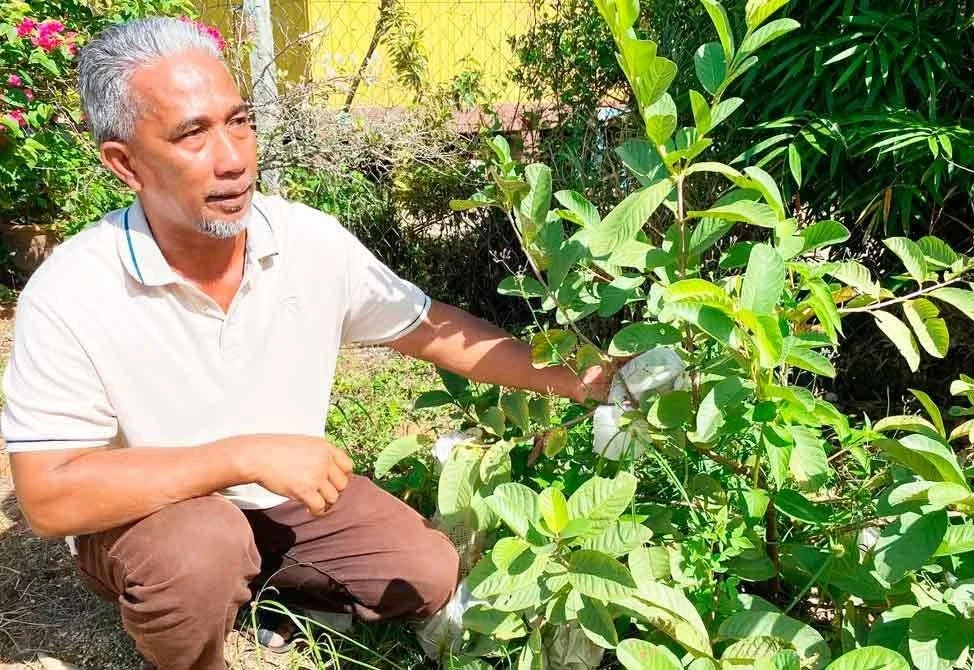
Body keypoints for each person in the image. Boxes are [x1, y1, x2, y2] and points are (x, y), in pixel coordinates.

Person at [0, 16, 614, 670]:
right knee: (197, 550)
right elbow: (48, 496)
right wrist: (242, 456)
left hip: (281, 497)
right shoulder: (73, 291)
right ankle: (194, 643)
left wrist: (585, 377)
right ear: (125, 164)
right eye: (192, 134)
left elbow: (430, 328)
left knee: (427, 572)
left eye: (239, 121)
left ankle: (255, 585)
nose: (233, 158)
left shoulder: (305, 242)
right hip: (155, 518)